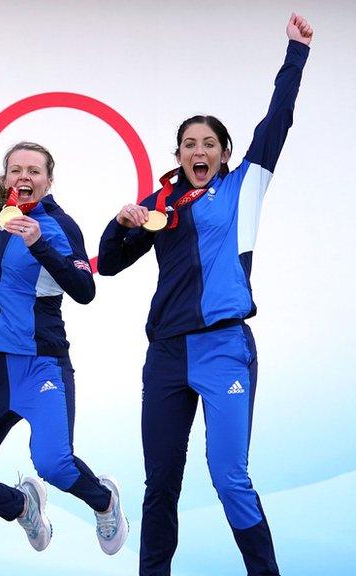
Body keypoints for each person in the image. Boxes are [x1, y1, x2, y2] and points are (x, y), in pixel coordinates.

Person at [96, 14, 313, 576]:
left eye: (209, 144)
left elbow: (279, 120)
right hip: (167, 353)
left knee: (228, 477)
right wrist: (122, 223)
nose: (199, 151)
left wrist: (295, 55)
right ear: (178, 154)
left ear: (223, 153)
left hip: (224, 350)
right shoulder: (161, 204)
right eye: (189, 144)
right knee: (161, 482)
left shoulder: (244, 187)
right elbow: (113, 264)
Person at [0, 75, 128, 556]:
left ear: (48, 180)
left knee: (56, 465)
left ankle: (104, 502)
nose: (24, 177)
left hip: (42, 363)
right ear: (4, 178)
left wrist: (38, 243)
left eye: (34, 171)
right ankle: (21, 507)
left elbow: (85, 290)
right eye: (15, 170)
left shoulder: (59, 226)